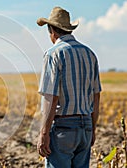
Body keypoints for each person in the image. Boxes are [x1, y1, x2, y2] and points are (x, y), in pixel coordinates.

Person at [36, 7, 102, 168]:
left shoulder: (53, 54)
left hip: (62, 128)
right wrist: (91, 128)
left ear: (51, 31)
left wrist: (44, 133)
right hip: (85, 126)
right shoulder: (89, 54)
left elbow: (51, 97)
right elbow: (96, 96)